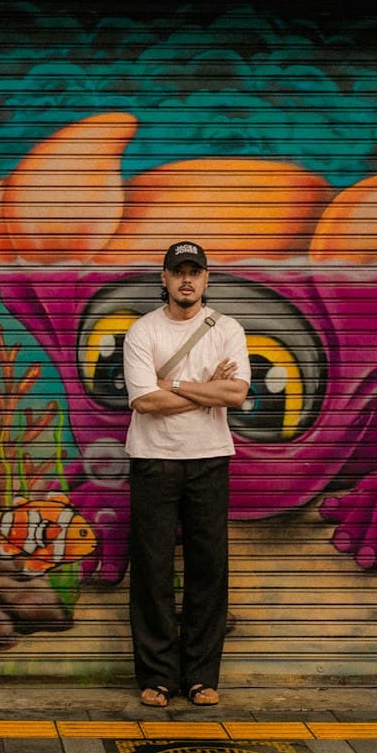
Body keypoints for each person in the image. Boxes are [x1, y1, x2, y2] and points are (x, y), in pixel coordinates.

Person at [122, 240, 250, 711]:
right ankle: (157, 677)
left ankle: (200, 678)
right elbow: (144, 402)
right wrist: (205, 390)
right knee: (153, 571)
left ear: (207, 279)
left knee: (208, 570)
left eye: (195, 272)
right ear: (164, 278)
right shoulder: (143, 332)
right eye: (179, 272)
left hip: (210, 458)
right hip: (152, 459)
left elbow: (236, 394)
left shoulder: (227, 329)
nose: (187, 280)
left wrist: (170, 382)